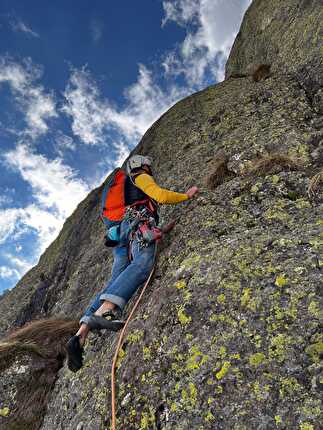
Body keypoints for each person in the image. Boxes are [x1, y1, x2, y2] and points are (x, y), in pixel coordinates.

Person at [66, 155, 198, 372]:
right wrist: (186, 195)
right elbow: (161, 196)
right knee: (143, 263)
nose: (150, 168)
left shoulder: (125, 189)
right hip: (138, 225)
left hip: (123, 237)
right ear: (141, 165)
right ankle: (105, 312)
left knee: (117, 280)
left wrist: (163, 229)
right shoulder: (140, 177)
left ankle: (81, 334)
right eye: (149, 165)